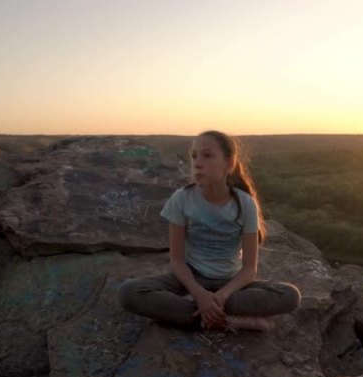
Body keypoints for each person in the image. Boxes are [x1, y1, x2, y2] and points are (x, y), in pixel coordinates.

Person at [119, 130, 301, 331]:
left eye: (207, 155)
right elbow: (177, 261)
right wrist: (199, 294)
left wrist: (220, 296)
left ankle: (197, 314)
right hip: (191, 277)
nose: (197, 163)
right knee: (129, 292)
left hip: (231, 283)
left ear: (229, 164)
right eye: (194, 156)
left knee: (290, 295)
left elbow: (249, 269)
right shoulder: (182, 199)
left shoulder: (245, 204)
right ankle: (228, 319)